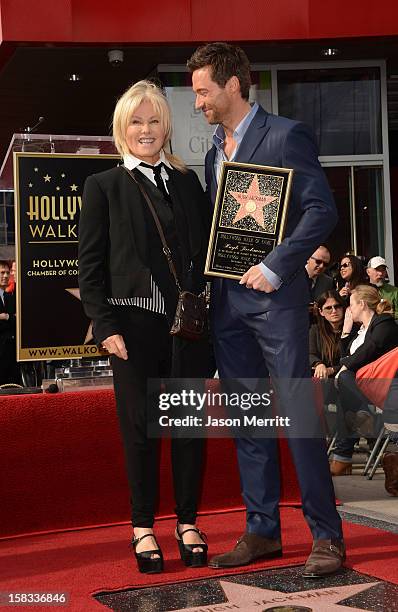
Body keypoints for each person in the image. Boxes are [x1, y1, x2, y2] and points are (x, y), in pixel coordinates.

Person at [187, 42, 344, 578]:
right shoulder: (212, 152)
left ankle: (327, 535)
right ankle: (262, 532)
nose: (198, 103)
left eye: (204, 92)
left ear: (234, 84)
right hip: (229, 306)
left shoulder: (285, 134)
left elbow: (322, 209)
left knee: (299, 417)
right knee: (249, 420)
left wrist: (278, 266)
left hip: (276, 301)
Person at [78, 80, 211, 574]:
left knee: (188, 430)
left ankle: (188, 522)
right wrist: (104, 324)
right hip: (132, 331)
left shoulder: (187, 183)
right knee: (140, 433)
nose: (146, 130)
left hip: (189, 330)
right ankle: (142, 527)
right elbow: (90, 266)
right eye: (136, 121)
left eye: (155, 121)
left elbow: (203, 256)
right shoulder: (104, 186)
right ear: (122, 128)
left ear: (166, 127)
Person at [330, 285, 398, 475]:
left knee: (344, 384)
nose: (348, 309)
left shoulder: (384, 323)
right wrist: (345, 333)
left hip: (383, 384)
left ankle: (343, 457)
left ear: (361, 304)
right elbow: (344, 358)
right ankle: (345, 455)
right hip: (362, 386)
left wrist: (344, 368)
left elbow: (370, 349)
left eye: (351, 304)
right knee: (345, 398)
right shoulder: (359, 331)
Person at [309, 290, 346, 380]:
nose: (334, 311)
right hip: (322, 378)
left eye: (337, 306)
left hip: (345, 376)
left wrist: (332, 369)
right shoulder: (315, 330)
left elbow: (353, 358)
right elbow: (310, 353)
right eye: (328, 308)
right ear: (321, 311)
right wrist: (318, 364)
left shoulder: (352, 329)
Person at [0, 260, 19, 385]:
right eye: (2, 272)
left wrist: (6, 317)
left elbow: (18, 320)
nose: (6, 276)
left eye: (8, 273)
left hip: (12, 354)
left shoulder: (9, 297)